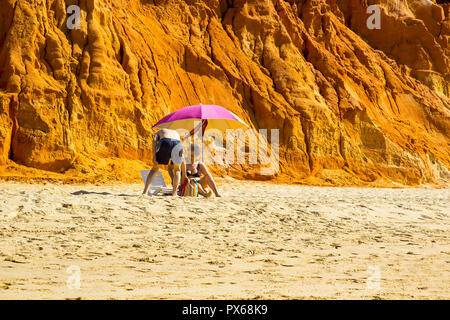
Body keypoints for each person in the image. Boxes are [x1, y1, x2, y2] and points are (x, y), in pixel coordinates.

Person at [142, 129, 184, 196]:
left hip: (166, 142)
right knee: (177, 170)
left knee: (155, 169)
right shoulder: (175, 132)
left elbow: (155, 141)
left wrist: (154, 156)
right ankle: (174, 194)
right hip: (178, 144)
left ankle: (145, 192)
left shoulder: (159, 131)